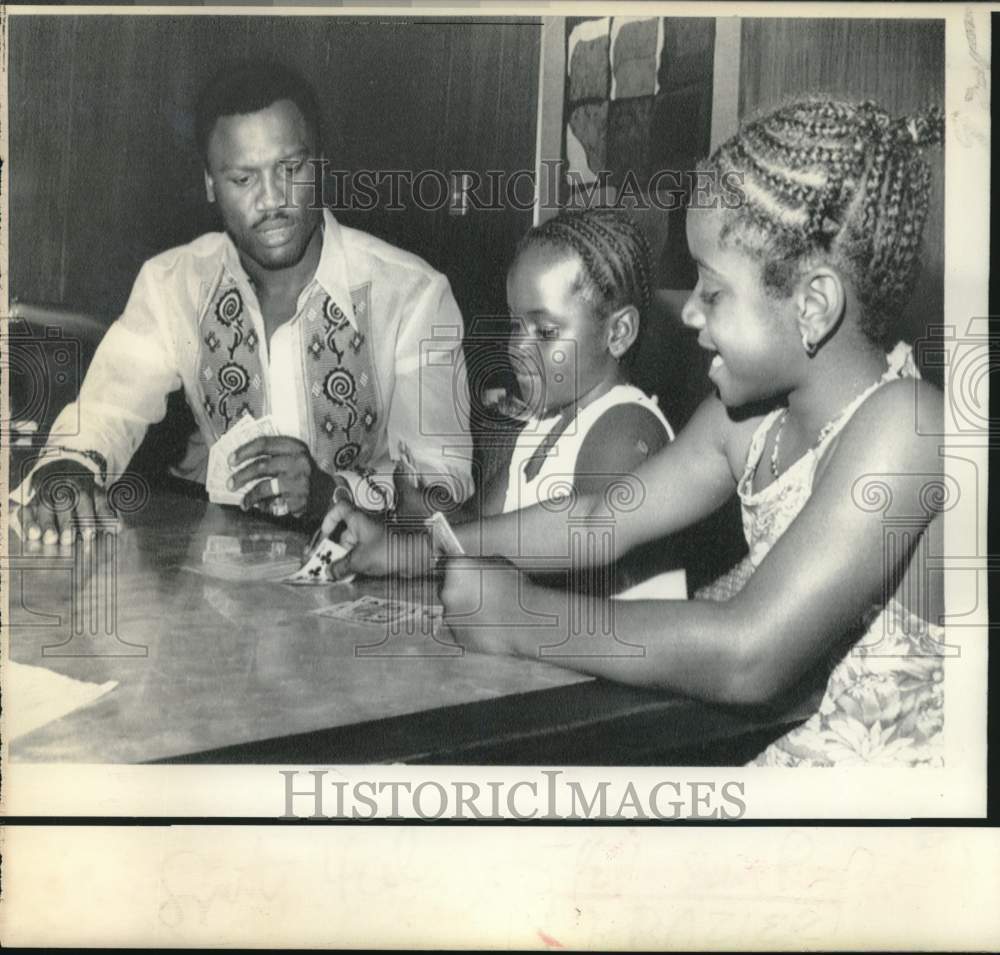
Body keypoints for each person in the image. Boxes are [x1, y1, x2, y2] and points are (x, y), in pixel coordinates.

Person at [328, 98, 948, 767]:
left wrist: (522, 619)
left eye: (713, 292)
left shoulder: (907, 427)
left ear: (814, 305)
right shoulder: (752, 415)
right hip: (789, 760)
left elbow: (749, 653)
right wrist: (407, 549)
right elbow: (598, 516)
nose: (689, 314)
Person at [15, 59, 472, 545]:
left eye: (290, 168)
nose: (272, 200)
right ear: (211, 184)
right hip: (219, 589)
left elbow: (445, 493)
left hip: (371, 585)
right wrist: (66, 471)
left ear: (320, 163)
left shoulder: (412, 294)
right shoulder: (175, 283)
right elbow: (106, 413)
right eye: (243, 179)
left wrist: (333, 494)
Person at [481, 208, 673, 518]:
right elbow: (481, 527)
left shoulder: (624, 431)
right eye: (515, 324)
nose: (517, 345)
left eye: (545, 331)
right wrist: (422, 511)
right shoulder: (545, 423)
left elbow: (580, 551)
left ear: (618, 332)